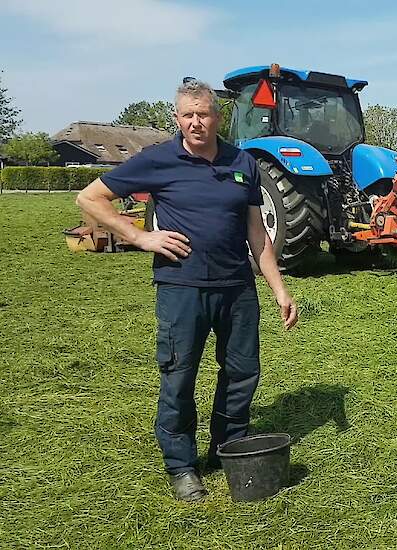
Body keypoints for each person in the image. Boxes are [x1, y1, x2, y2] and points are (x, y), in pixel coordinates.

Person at [76, 78, 298, 502]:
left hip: (237, 287)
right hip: (182, 288)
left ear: (218, 116)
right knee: (179, 376)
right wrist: (141, 237)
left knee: (241, 374)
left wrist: (279, 289)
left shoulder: (243, 163)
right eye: (188, 115)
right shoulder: (158, 160)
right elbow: (91, 199)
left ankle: (227, 447)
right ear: (177, 118)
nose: (197, 122)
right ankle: (181, 465)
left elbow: (257, 233)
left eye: (204, 114)